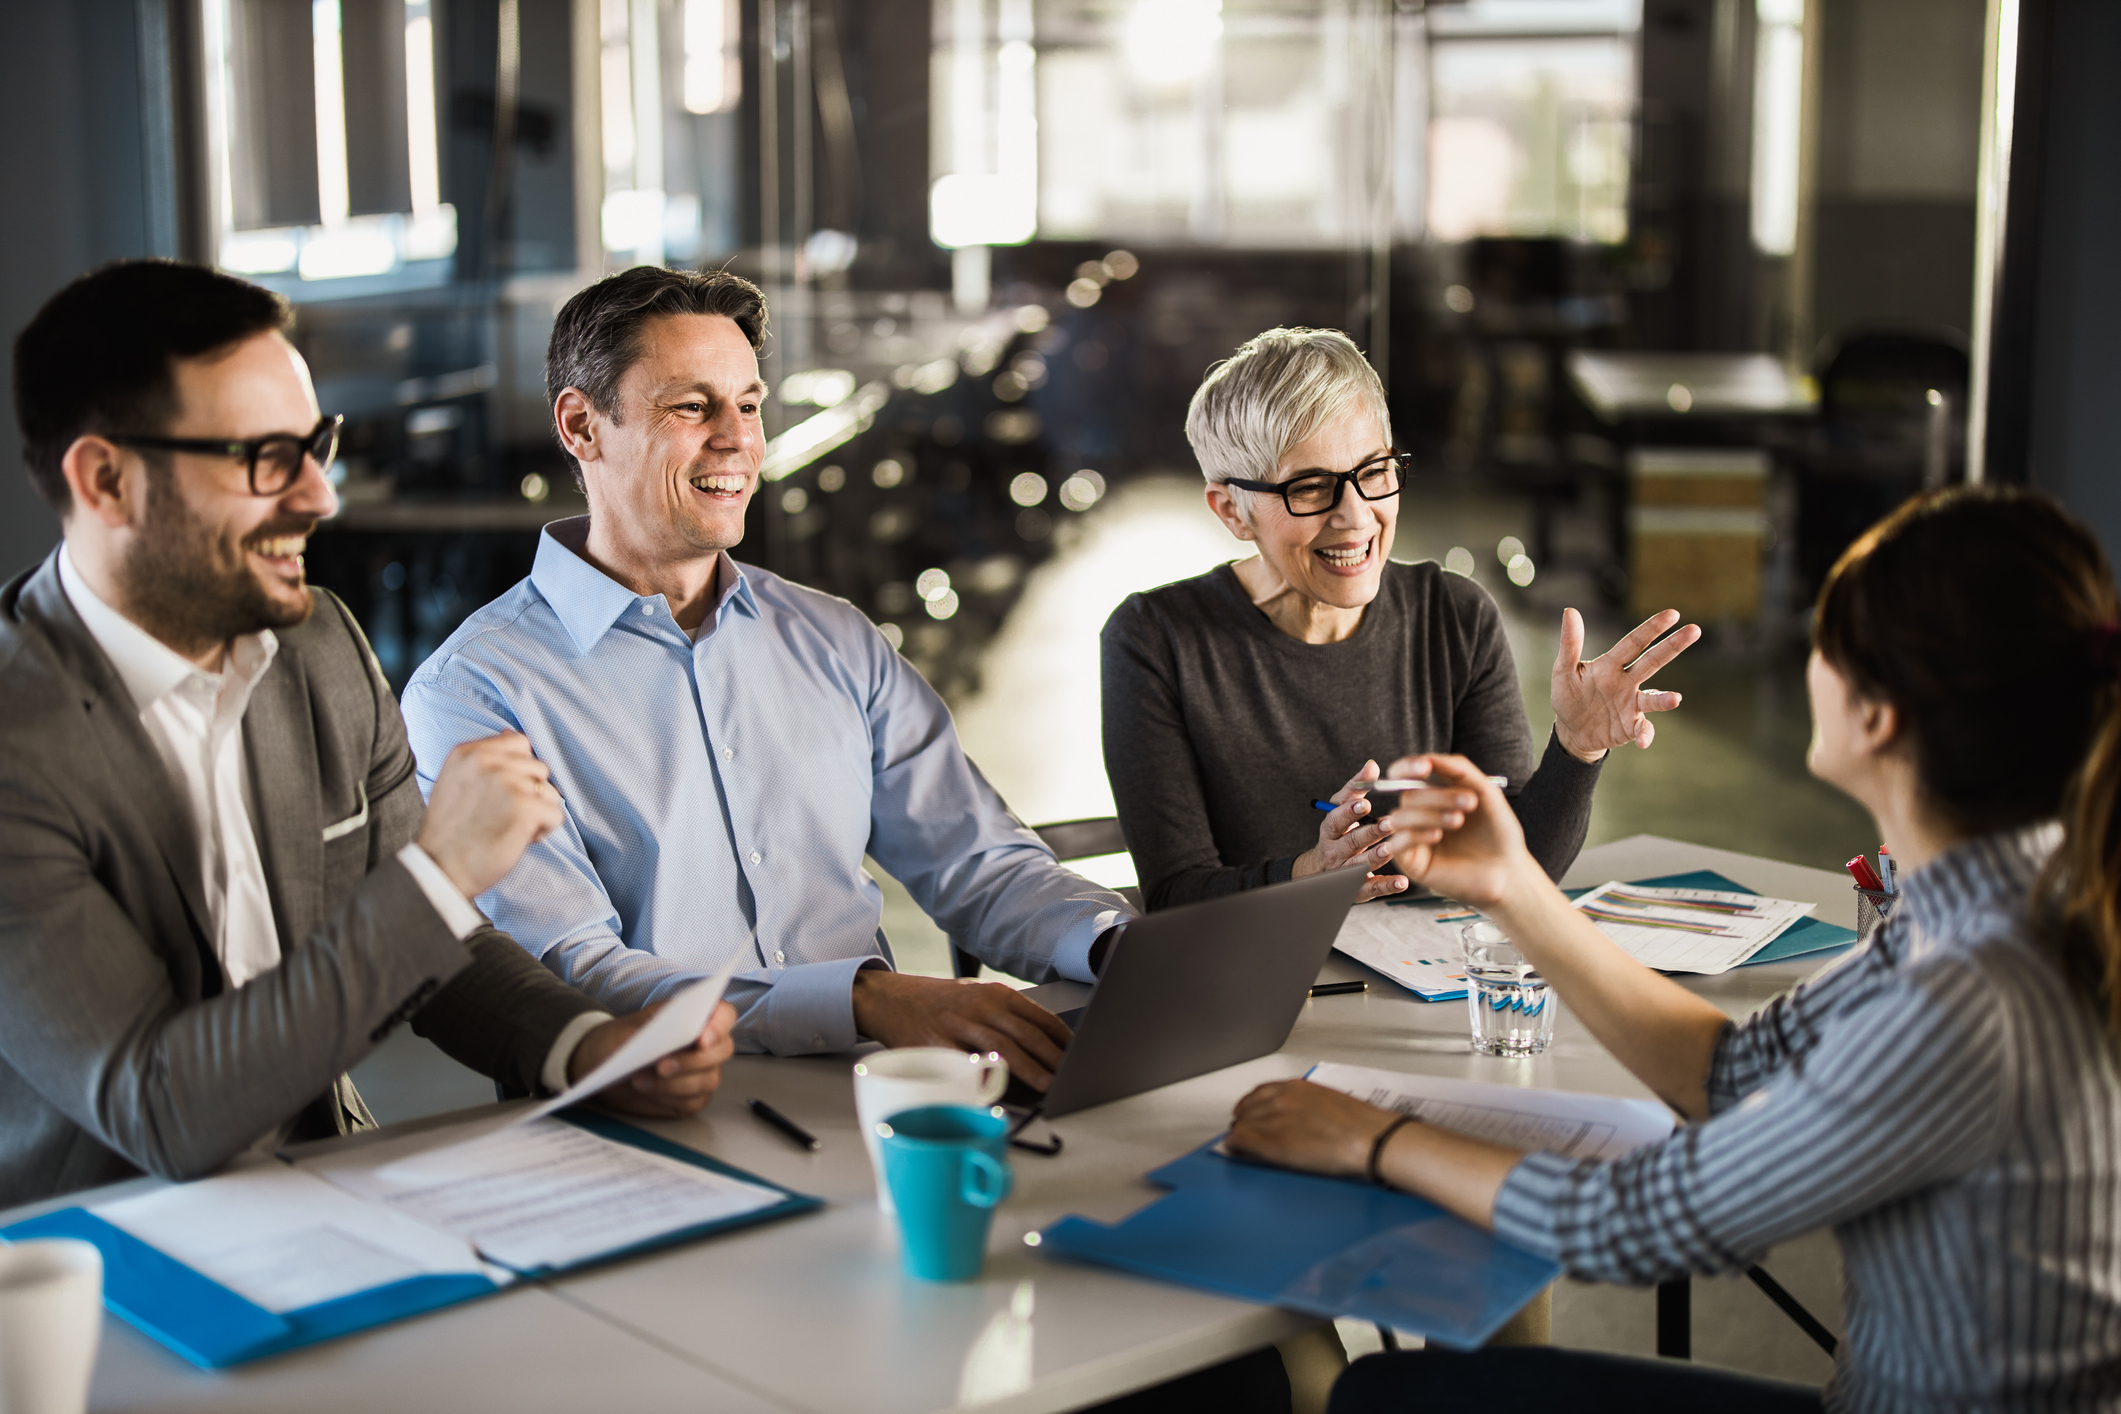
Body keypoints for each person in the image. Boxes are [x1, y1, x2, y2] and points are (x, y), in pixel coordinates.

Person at [1228, 486, 2121, 1411]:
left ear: (1877, 715)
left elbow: (1643, 1223)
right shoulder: (2003, 902)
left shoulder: (1968, 996)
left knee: (1389, 1399)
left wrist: (1373, 1139)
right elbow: (1734, 1073)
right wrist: (1515, 888)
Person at [0, 260, 736, 1210]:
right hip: (104, 1251)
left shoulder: (316, 644)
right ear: (106, 480)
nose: (319, 496)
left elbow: (436, 949)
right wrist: (436, 872)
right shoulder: (18, 743)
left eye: (317, 445)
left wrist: (588, 1048)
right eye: (264, 458)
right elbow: (162, 1106)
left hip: (333, 1190)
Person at [399, 266, 1130, 1091]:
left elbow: (975, 860)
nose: (738, 439)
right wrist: (862, 1002)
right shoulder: (474, 691)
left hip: (870, 1098)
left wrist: (1114, 945)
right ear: (581, 425)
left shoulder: (832, 638)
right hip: (657, 1110)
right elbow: (571, 972)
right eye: (690, 406)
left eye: (747, 403)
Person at [1101, 327, 1699, 909]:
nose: (1356, 518)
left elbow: (1517, 870)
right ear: (1232, 511)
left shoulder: (1455, 618)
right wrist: (1313, 873)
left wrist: (1576, 750)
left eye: (1374, 472)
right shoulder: (1155, 642)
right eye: (1309, 488)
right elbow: (1175, 896)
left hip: (1424, 982)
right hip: (1256, 986)